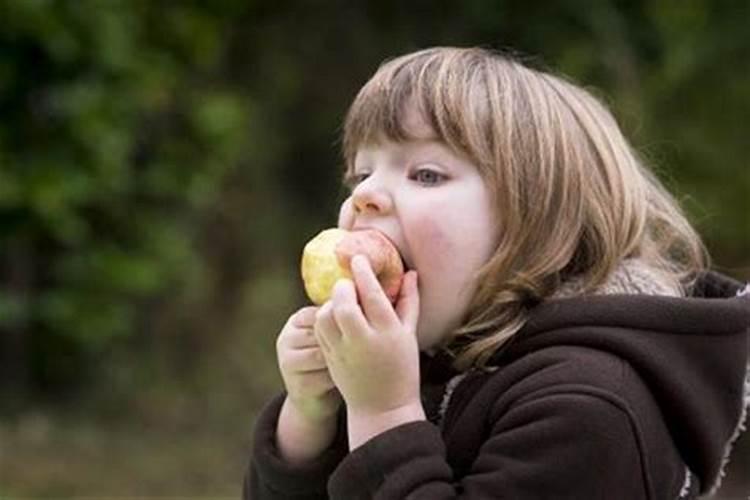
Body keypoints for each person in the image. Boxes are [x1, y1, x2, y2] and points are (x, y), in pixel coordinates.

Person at [244, 47, 750, 499]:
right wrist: (311, 417)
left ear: (541, 220)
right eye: (360, 173)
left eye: (425, 174)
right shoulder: (424, 361)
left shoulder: (590, 409)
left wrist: (383, 414)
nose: (364, 194)